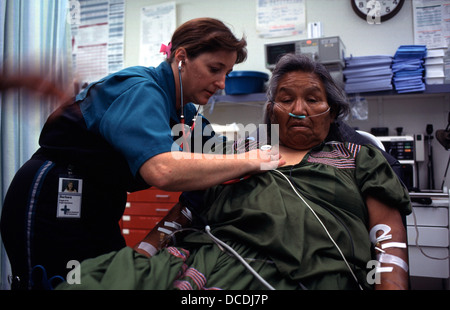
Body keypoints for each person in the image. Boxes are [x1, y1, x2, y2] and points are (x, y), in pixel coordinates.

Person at [57, 54, 411, 290]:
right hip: (203, 260)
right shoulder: (235, 155)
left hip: (297, 276)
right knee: (87, 281)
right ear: (271, 112)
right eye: (286, 99)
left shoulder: (357, 158)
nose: (299, 109)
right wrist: (143, 257)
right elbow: (186, 211)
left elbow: (388, 245)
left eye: (314, 100)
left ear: (333, 112)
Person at [0, 18, 282, 290]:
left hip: (98, 203)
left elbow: (219, 148)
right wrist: (250, 161)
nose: (222, 83)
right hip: (56, 194)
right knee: (63, 284)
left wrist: (269, 150)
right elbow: (163, 170)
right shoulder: (141, 90)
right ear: (182, 58)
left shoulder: (183, 111)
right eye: (214, 69)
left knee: (107, 279)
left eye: (227, 74)